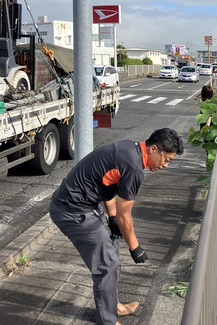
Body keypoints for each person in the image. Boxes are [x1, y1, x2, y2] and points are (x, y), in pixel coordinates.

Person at [49, 128, 184, 325]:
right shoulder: (134, 167)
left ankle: (113, 306)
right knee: (107, 265)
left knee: (112, 250)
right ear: (154, 149)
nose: (166, 166)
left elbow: (107, 184)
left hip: (84, 205)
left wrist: (111, 217)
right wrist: (135, 247)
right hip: (72, 211)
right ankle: (108, 321)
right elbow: (125, 216)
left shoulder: (130, 149)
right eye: (166, 160)